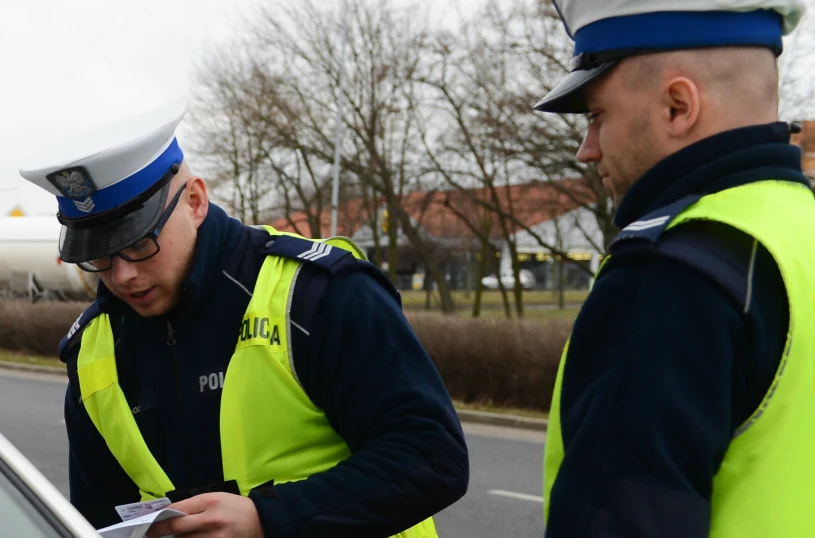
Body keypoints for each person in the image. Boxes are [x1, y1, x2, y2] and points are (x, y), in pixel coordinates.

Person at [17, 100, 469, 537]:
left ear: (195, 202)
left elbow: (433, 456)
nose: (123, 275)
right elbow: (100, 518)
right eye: (97, 256)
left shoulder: (318, 294)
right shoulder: (94, 348)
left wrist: (268, 520)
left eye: (139, 244)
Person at [533, 0, 815, 536]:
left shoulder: (670, 275)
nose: (585, 151)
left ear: (678, 106)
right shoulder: (799, 230)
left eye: (596, 117)